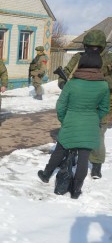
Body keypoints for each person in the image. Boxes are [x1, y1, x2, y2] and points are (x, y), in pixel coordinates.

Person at [38, 33, 110, 199]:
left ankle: (46, 174)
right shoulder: (103, 86)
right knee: (84, 159)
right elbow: (104, 108)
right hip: (90, 125)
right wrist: (94, 118)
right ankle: (76, 190)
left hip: (71, 123)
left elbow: (60, 106)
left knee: (59, 151)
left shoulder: (72, 84)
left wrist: (65, 119)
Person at [57, 29, 112, 179]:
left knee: (97, 138)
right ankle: (72, 157)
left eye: (95, 47)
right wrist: (63, 84)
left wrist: (100, 83)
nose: (92, 49)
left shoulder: (109, 59)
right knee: (73, 133)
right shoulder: (78, 57)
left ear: (101, 47)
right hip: (76, 105)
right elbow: (66, 72)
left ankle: (96, 165)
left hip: (99, 107)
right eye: (89, 46)